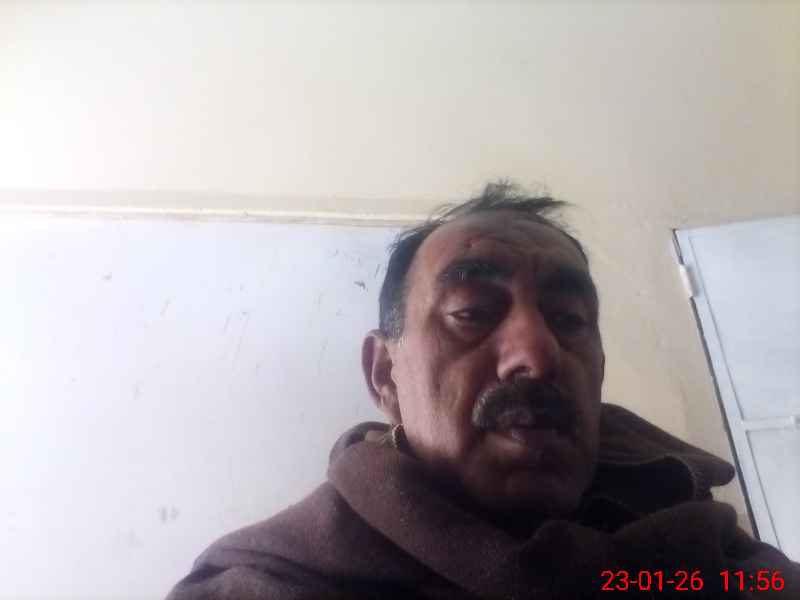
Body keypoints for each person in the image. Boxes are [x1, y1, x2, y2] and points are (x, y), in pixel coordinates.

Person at [166, 182, 799, 599]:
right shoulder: (271, 581)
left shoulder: (710, 559)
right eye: (471, 312)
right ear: (385, 375)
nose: (538, 354)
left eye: (570, 319)